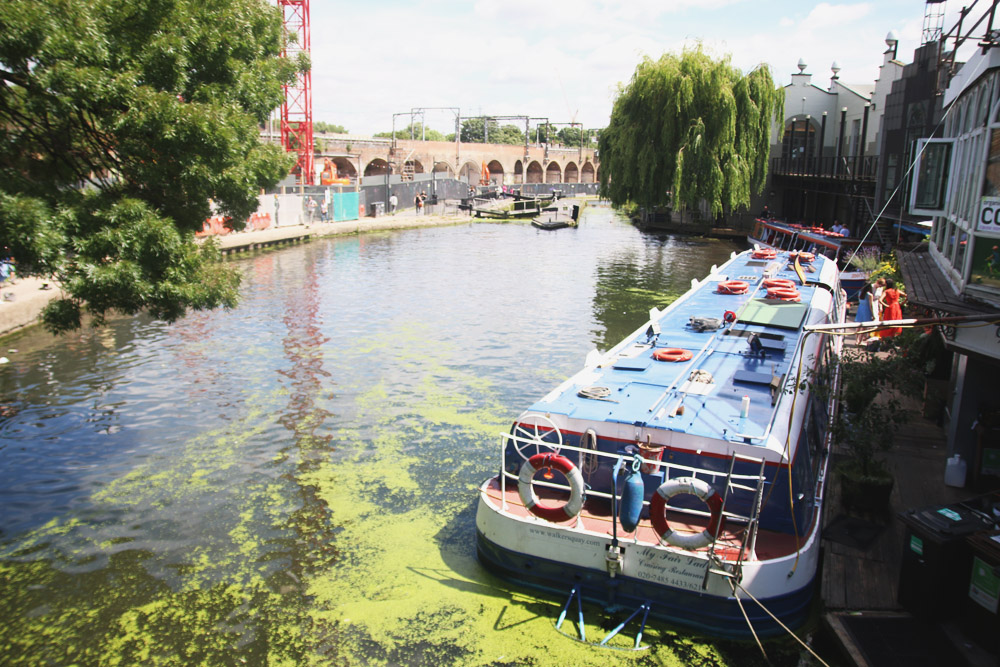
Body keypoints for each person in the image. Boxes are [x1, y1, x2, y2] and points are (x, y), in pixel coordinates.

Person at [854, 279, 877, 344]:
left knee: (858, 326)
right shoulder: (870, 295)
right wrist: (873, 314)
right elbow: (871, 305)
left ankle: (856, 340)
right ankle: (860, 341)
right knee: (864, 326)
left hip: (860, 308)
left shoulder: (860, 292)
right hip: (866, 309)